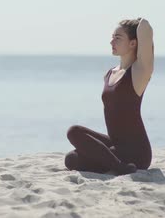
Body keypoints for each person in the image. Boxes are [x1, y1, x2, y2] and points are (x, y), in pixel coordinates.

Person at [64, 17, 154, 175]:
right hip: (116, 144)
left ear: (133, 43)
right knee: (73, 146)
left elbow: (146, 30)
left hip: (136, 152)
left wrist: (141, 21)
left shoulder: (139, 73)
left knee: (76, 152)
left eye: (118, 38)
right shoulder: (110, 73)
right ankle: (117, 164)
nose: (112, 42)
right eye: (112, 37)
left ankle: (120, 168)